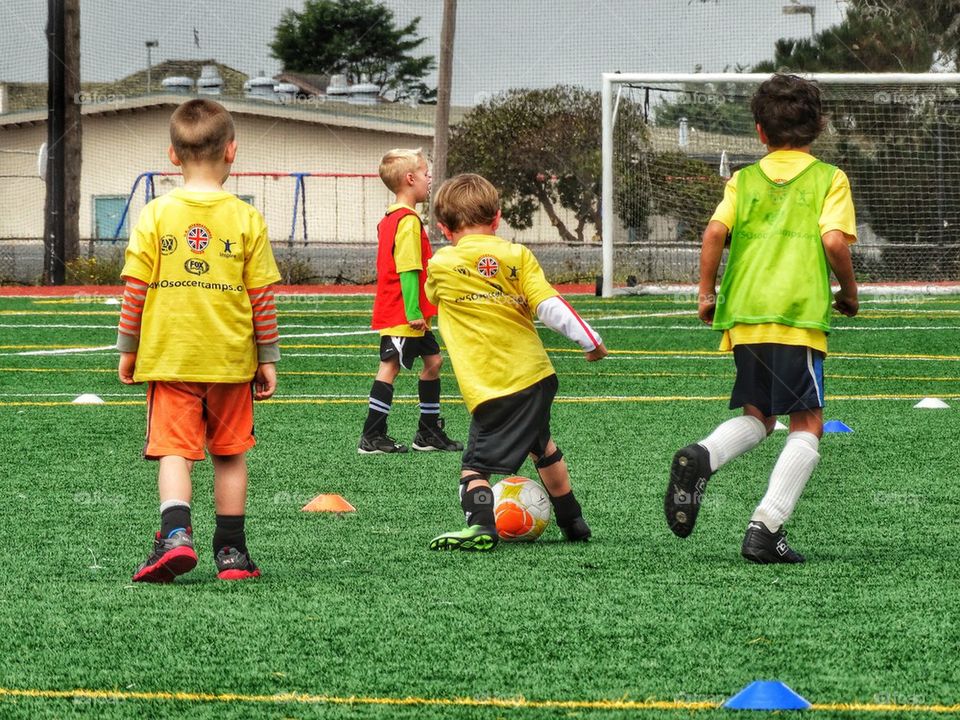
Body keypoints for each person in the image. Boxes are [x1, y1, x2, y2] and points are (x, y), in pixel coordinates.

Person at [664, 73, 858, 564]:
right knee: (808, 423)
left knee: (760, 416)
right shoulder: (829, 178)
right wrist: (849, 292)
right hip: (795, 315)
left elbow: (713, 234)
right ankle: (766, 528)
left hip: (744, 315)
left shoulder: (743, 179)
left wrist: (706, 295)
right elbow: (835, 242)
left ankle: (702, 457)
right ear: (818, 128)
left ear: (759, 132)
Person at [117, 98, 281, 582]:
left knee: (174, 452)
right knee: (229, 455)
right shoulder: (247, 218)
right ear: (232, 151)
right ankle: (231, 554)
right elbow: (262, 297)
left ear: (172, 155)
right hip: (232, 361)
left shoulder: (154, 214)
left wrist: (128, 350)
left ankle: (175, 535)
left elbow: (135, 291)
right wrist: (267, 357)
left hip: (170, 359)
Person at [425, 173, 607, 552]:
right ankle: (573, 521)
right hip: (537, 377)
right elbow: (548, 304)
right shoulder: (517, 256)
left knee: (474, 465)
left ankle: (480, 526)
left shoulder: (441, 265)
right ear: (497, 219)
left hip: (496, 387)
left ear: (443, 228)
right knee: (542, 446)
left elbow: (430, 298)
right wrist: (589, 340)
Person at [359, 148, 463, 455]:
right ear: (409, 178)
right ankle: (372, 435)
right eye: (426, 173)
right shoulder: (406, 221)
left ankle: (428, 433)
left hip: (408, 313)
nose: (430, 179)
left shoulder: (392, 218)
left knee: (433, 362)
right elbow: (407, 268)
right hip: (403, 314)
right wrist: (414, 310)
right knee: (389, 368)